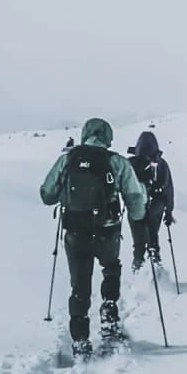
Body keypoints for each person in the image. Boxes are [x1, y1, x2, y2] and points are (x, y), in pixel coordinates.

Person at [39, 118, 146, 357]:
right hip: (107, 229)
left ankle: (80, 340)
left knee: (80, 285)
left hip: (75, 232)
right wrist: (139, 218)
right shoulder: (116, 161)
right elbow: (135, 197)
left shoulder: (67, 159)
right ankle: (109, 321)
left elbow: (47, 195)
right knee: (111, 268)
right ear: (108, 137)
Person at [127, 130, 175, 271]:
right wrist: (169, 211)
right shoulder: (162, 164)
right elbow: (169, 189)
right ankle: (156, 264)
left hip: (135, 205)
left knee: (138, 240)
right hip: (157, 205)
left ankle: (138, 267)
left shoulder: (131, 163)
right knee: (153, 234)